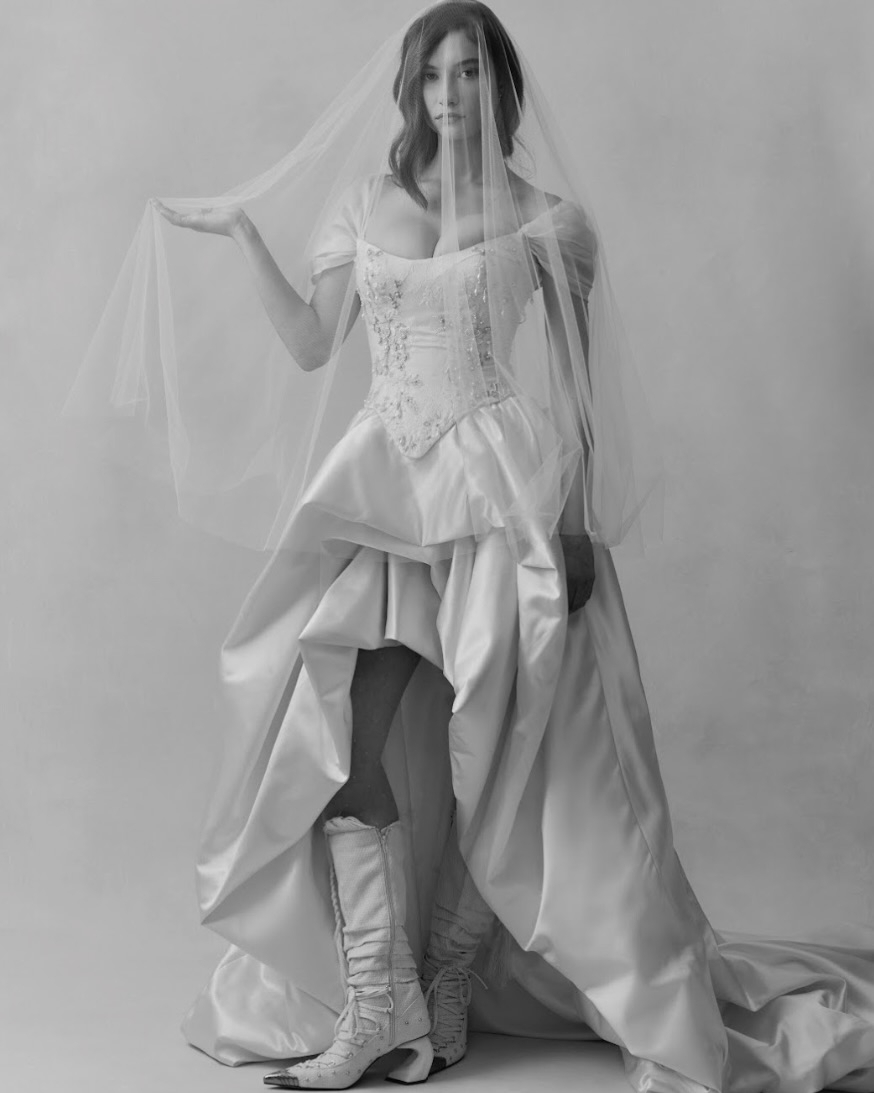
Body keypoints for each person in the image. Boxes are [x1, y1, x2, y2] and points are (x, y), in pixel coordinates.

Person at [64, 3, 874, 1091]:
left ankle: (449, 976)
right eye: (435, 74)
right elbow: (311, 345)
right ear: (412, 88)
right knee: (344, 748)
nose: (450, 93)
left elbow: (579, 395)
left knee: (498, 759)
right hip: (383, 499)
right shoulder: (368, 204)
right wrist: (246, 235)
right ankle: (378, 1002)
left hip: (498, 497)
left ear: (500, 86)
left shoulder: (548, 223)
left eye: (470, 72)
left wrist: (575, 528)